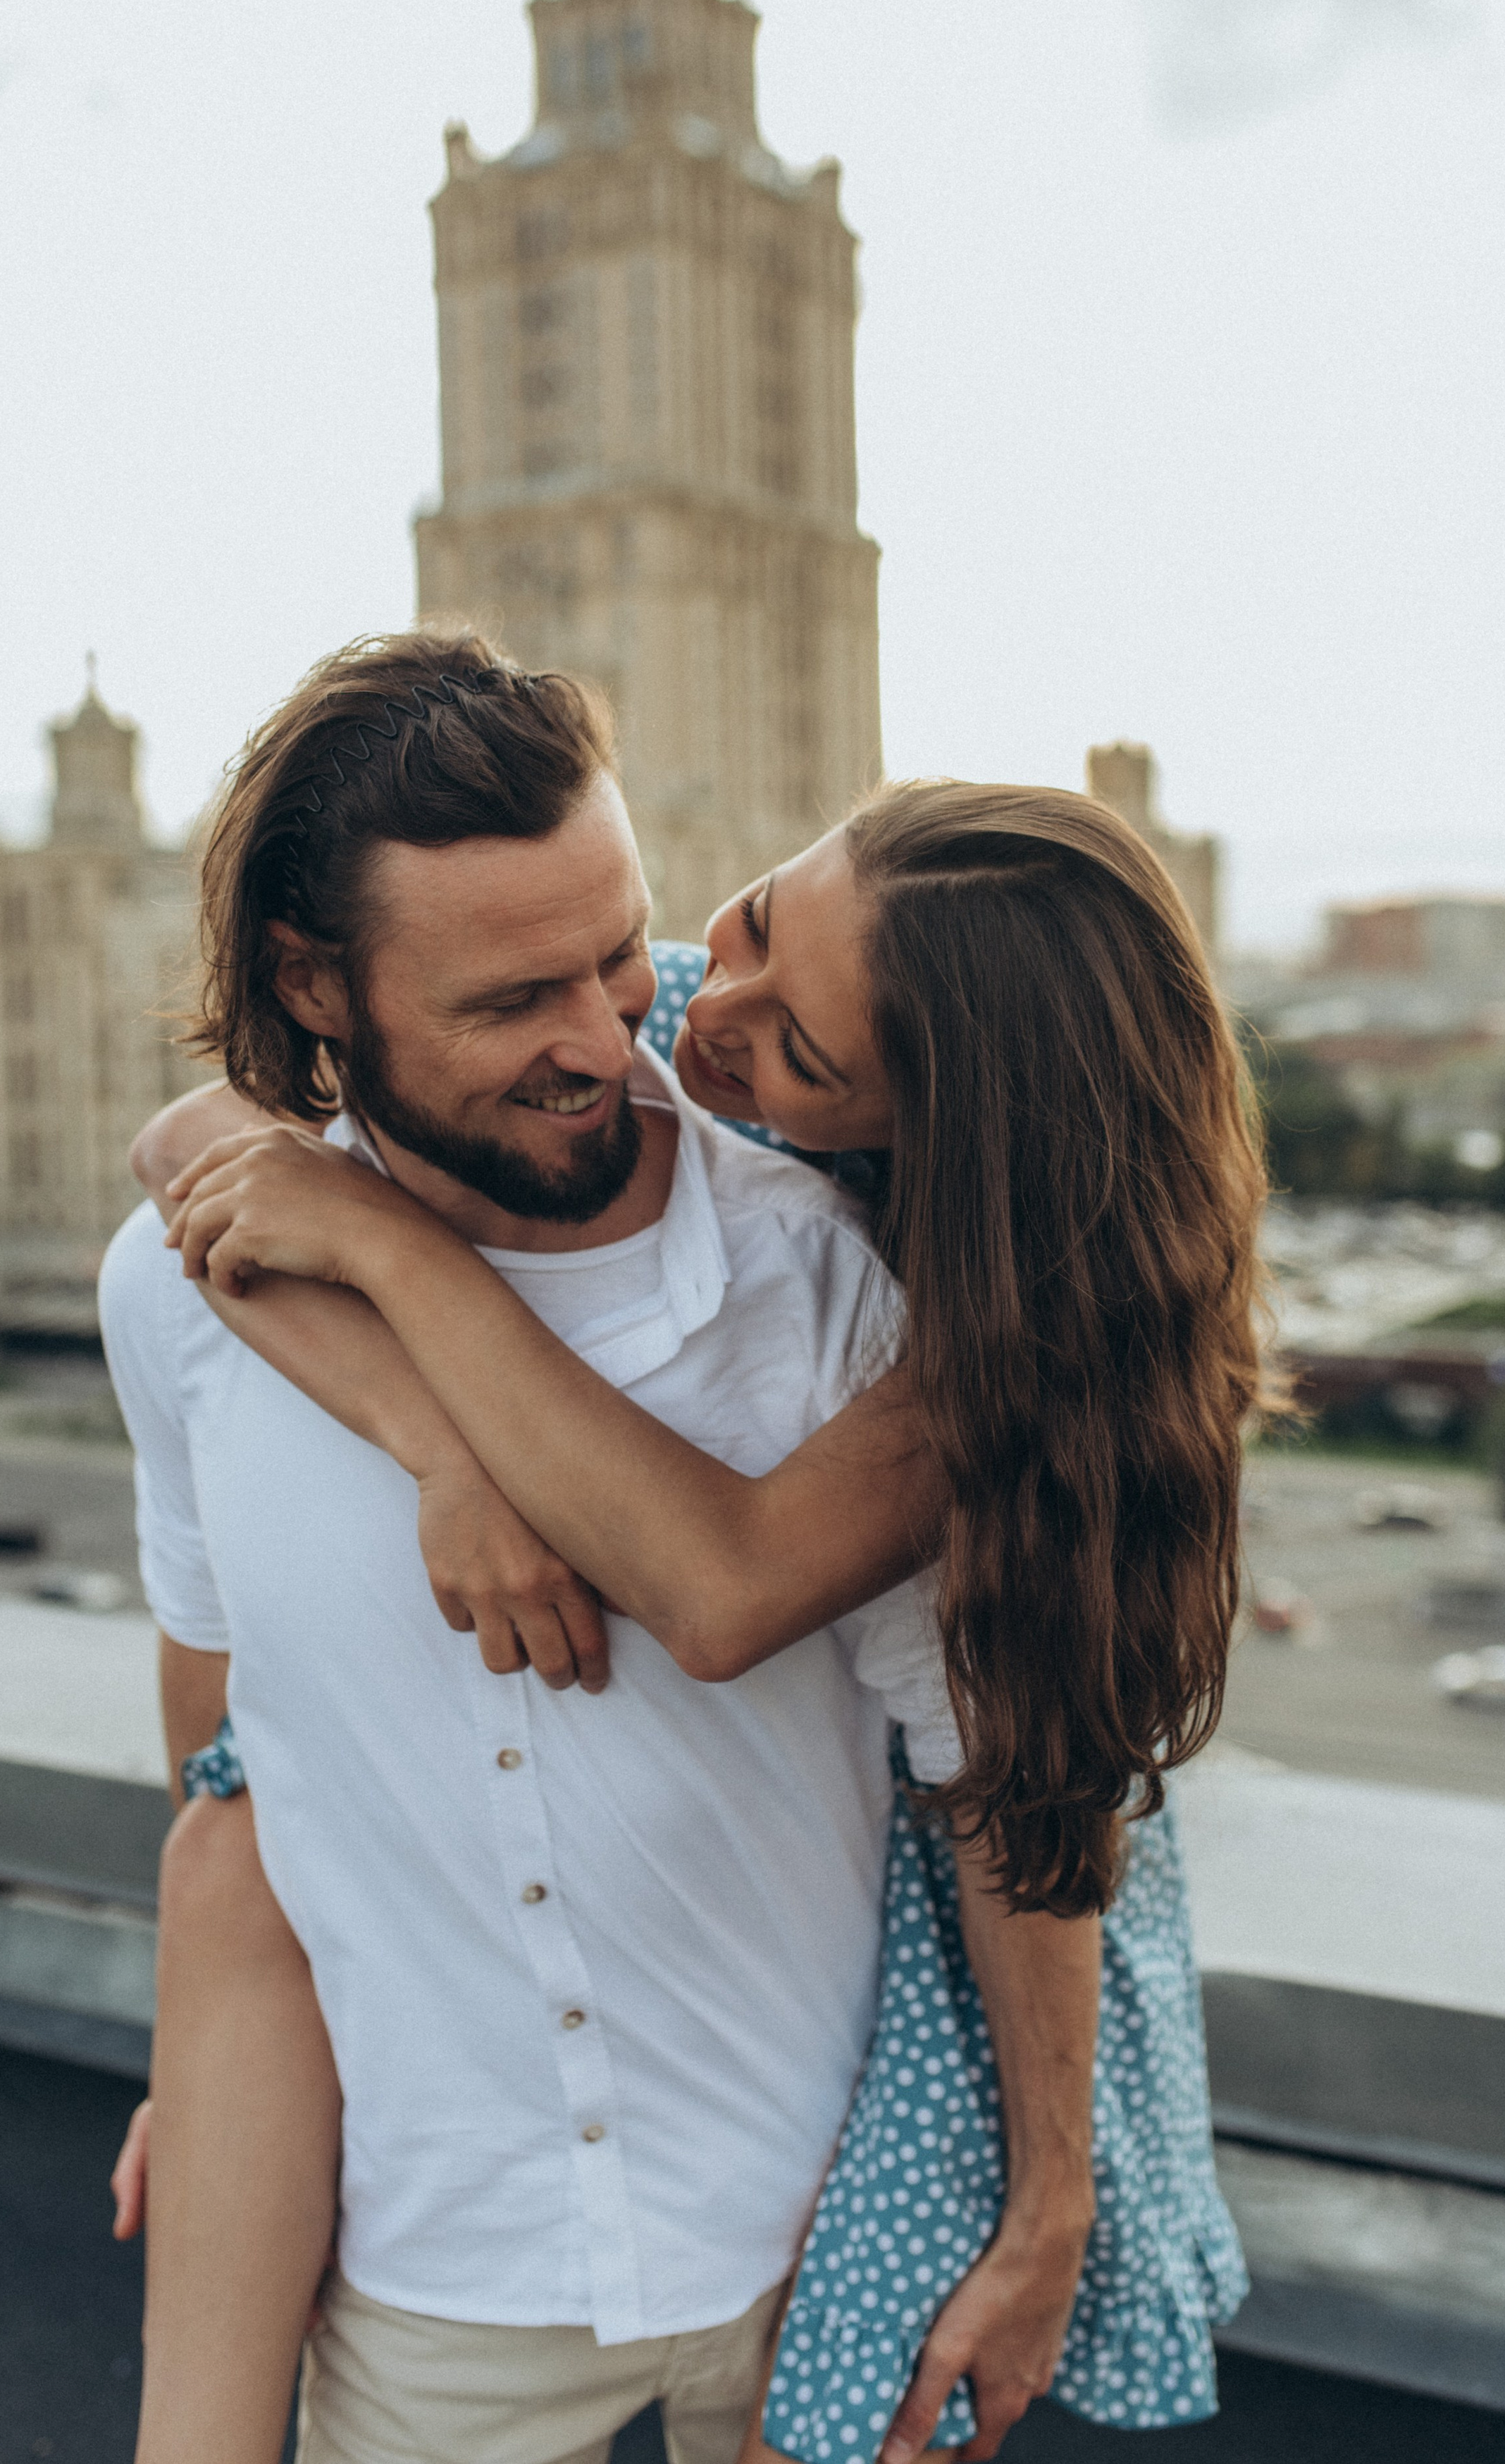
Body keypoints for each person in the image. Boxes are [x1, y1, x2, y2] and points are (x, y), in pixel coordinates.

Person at [107, 629, 1262, 2463]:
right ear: (316, 980)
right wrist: (243, 2050)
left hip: (809, 2218)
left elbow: (956, 1755)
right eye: (726, 928)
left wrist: (1047, 2205)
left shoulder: (886, 1311)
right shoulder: (205, 1276)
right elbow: (224, 1682)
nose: (640, 1029)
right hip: (439, 2249)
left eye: (791, 1045)